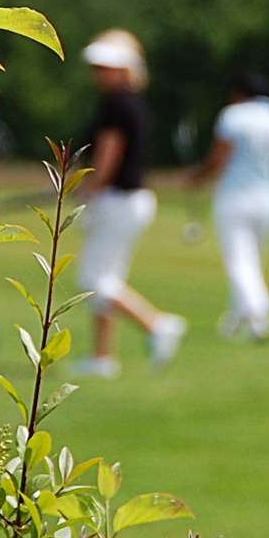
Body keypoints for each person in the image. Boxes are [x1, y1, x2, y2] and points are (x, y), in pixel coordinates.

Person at [72, 29, 186, 377]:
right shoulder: (128, 101)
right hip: (126, 201)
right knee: (108, 278)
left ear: (126, 69)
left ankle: (157, 325)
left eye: (106, 67)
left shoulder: (117, 105)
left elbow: (109, 152)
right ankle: (102, 357)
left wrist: (89, 187)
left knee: (94, 280)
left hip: (116, 200)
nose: (99, 74)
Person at [190, 71, 269, 343]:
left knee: (239, 260)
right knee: (252, 260)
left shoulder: (233, 115)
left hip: (234, 196)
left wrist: (198, 177)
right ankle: (236, 320)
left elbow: (220, 156)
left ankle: (258, 314)